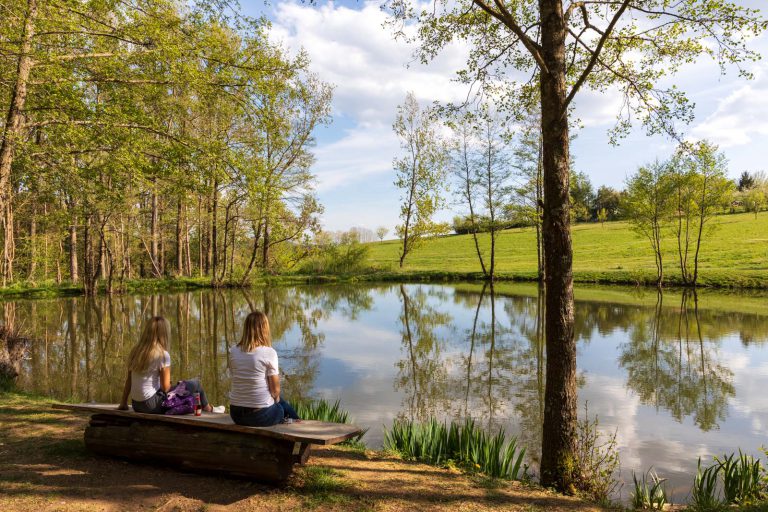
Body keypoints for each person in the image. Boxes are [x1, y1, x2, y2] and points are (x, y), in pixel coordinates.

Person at [118, 316, 212, 414]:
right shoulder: (162, 355)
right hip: (152, 405)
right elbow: (165, 388)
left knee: (187, 391)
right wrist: (177, 387)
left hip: (137, 405)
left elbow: (129, 381)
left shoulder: (135, 351)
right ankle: (209, 409)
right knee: (196, 384)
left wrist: (123, 403)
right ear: (164, 334)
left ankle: (208, 408)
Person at [229, 310, 300, 426]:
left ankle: (296, 419)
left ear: (246, 328)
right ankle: (298, 422)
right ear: (264, 329)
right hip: (260, 416)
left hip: (236, 414)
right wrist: (276, 401)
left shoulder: (233, 351)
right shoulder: (268, 352)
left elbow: (237, 376)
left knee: (278, 402)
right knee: (281, 407)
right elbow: (275, 391)